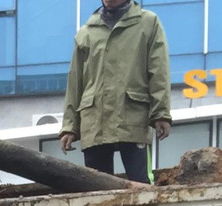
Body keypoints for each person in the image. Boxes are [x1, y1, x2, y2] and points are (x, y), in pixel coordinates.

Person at [60, 0, 172, 184]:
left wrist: (161, 113)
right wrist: (70, 126)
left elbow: (159, 71)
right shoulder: (86, 32)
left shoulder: (148, 23)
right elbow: (75, 82)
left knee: (142, 184)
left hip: (132, 117)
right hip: (95, 121)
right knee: (97, 190)